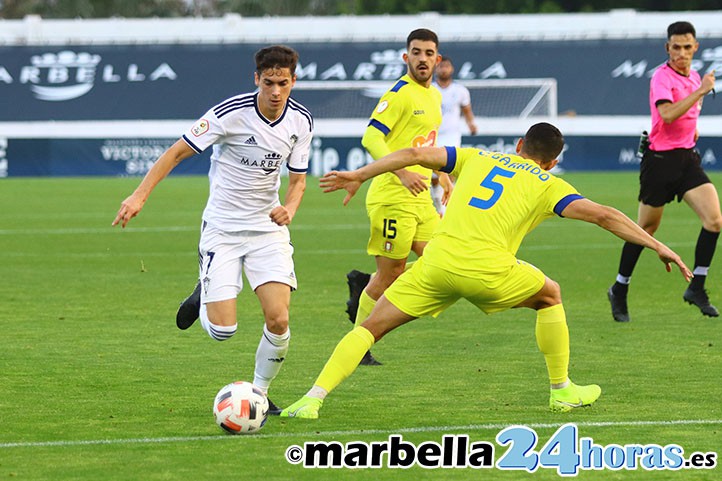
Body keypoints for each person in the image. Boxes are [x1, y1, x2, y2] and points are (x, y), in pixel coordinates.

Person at [279, 122, 692, 419]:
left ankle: (312, 399)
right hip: (489, 273)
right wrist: (657, 245)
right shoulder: (549, 184)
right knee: (550, 293)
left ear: (517, 145)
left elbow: (414, 155)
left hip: (437, 263)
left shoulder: (477, 157)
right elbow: (604, 216)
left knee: (369, 327)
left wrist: (359, 174)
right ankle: (562, 390)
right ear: (552, 162)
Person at [112, 45, 313, 415]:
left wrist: (291, 208)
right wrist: (139, 196)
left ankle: (260, 394)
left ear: (293, 81)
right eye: (268, 82)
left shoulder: (301, 122)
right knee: (223, 331)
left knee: (280, 318)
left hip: (267, 230)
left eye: (282, 83)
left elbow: (298, 181)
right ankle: (202, 293)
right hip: (222, 228)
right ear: (256, 79)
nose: (274, 91)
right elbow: (175, 152)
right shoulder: (229, 114)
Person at [344, 28, 452, 366]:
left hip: (421, 197)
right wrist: (400, 172)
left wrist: (443, 174)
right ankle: (359, 342)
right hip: (392, 197)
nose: (422, 58)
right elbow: (371, 137)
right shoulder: (400, 94)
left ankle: (364, 287)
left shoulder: (433, 96)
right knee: (391, 274)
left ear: (437, 59)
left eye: (428, 53)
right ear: (406, 57)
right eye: (416, 52)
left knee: (443, 260)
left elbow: (426, 143)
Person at [608, 21, 721, 323]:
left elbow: (685, 118)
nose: (682, 53)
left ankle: (696, 287)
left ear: (695, 47)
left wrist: (693, 130)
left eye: (687, 47)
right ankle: (619, 287)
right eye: (676, 47)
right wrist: (700, 93)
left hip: (687, 160)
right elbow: (668, 114)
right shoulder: (662, 77)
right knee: (645, 230)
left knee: (714, 220)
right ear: (667, 48)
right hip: (659, 162)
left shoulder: (695, 76)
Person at [430, 55, 478, 216]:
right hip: (433, 136)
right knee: (434, 176)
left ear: (451, 69)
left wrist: (471, 123)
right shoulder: (430, 89)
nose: (444, 69)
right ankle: (438, 203)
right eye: (441, 66)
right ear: (436, 68)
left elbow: (466, 110)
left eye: (446, 66)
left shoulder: (460, 91)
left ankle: (446, 210)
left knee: (450, 171)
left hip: (452, 136)